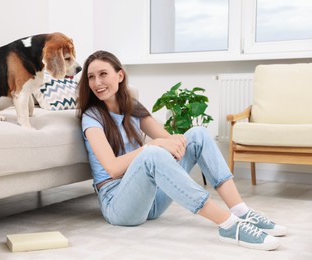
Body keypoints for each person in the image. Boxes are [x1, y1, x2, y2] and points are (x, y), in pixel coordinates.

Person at [76, 50, 287, 251]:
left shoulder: (132, 107)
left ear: (119, 75)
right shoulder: (91, 117)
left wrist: (168, 143)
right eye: (91, 77)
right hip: (118, 205)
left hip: (151, 200)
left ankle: (241, 212)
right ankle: (228, 224)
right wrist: (152, 146)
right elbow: (112, 169)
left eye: (103, 74)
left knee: (197, 135)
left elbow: (171, 142)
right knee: (151, 153)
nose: (97, 83)